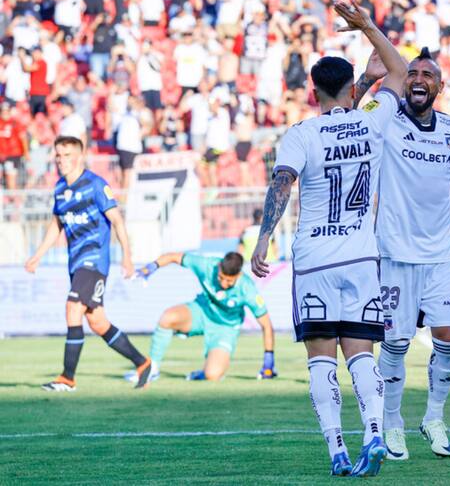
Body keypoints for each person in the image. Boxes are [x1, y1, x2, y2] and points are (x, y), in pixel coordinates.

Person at [250, 2, 406, 478]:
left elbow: (282, 183)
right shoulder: (372, 119)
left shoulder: (302, 134)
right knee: (361, 353)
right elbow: (398, 69)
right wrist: (366, 29)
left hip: (315, 258)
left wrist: (262, 240)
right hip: (361, 257)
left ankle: (338, 450)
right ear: (353, 88)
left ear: (311, 90)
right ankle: (375, 432)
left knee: (321, 358)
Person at [352, 47, 450, 460]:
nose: (418, 79)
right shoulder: (386, 122)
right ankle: (394, 423)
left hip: (439, 254)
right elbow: (346, 117)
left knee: (449, 337)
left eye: (427, 74)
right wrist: (368, 79)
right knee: (396, 343)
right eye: (412, 73)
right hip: (395, 253)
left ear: (440, 85)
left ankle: (434, 417)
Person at [24, 136, 151, 392]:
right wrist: (38, 254)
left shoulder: (95, 184)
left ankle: (67, 378)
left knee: (73, 308)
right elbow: (56, 225)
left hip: (94, 261)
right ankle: (142, 362)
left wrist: (127, 255)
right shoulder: (60, 188)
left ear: (80, 156)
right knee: (98, 322)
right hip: (75, 263)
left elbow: (117, 220)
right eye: (58, 155)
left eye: (68, 154)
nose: (62, 160)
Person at [129, 251, 276, 382]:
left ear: (239, 275)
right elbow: (173, 257)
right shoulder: (206, 265)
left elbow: (266, 325)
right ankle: (152, 369)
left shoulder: (247, 288)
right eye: (221, 278)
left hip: (226, 328)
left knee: (212, 375)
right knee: (168, 317)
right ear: (218, 266)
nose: (223, 284)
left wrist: (268, 361)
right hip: (201, 312)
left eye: (229, 281)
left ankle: (202, 373)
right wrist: (152, 267)